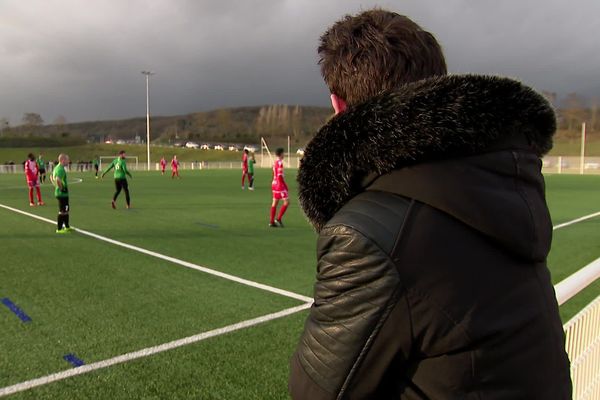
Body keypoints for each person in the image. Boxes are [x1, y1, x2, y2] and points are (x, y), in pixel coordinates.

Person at [289, 9, 571, 399]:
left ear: (338, 107)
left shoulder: (369, 233)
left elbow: (316, 392)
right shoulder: (505, 179)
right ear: (436, 88)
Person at [51, 153, 72, 233]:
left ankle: (67, 226)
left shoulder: (58, 168)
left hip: (62, 194)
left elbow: (52, 178)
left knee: (66, 210)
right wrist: (62, 189)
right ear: (63, 160)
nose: (68, 161)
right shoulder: (60, 169)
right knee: (62, 211)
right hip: (62, 194)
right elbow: (57, 179)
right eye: (67, 160)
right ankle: (59, 229)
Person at [269, 147, 289, 227]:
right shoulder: (280, 163)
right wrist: (285, 185)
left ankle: (271, 221)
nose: (284, 154)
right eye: (283, 153)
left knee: (275, 202)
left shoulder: (275, 162)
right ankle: (279, 218)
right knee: (287, 202)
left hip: (274, 184)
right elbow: (280, 176)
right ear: (281, 154)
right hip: (279, 184)